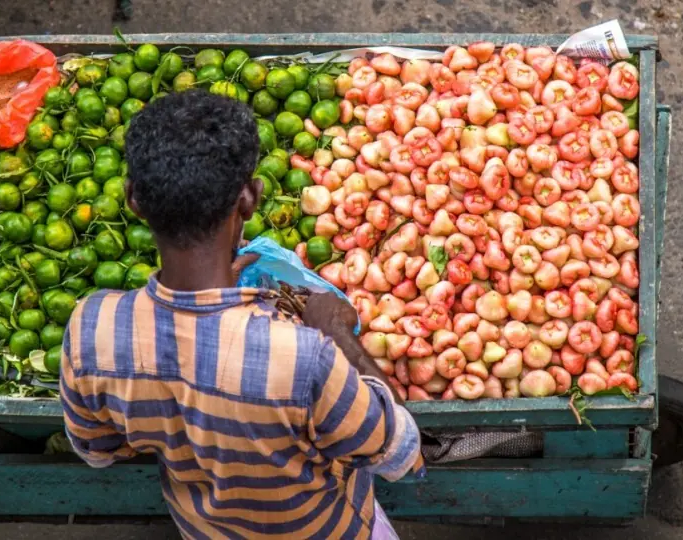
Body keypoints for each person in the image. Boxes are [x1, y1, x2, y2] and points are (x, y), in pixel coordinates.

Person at [60, 90, 424, 539]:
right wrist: (339, 334)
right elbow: (400, 450)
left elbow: (97, 449)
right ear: (250, 199)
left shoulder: (90, 329)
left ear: (133, 199)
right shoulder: (304, 357)